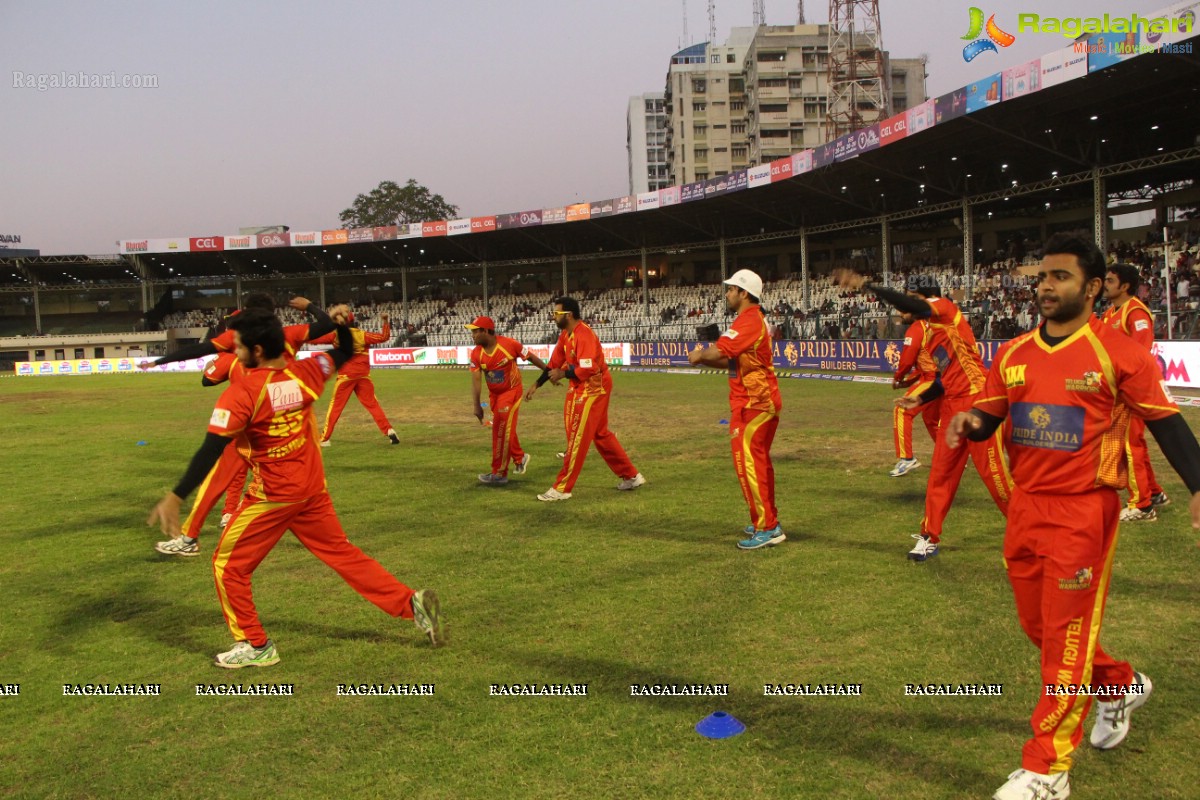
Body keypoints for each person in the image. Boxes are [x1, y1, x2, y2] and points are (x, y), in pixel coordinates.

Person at [944, 232, 1200, 800]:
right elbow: (991, 413)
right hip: (1026, 506)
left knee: (1065, 637)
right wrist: (971, 423)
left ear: (1091, 285)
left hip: (1085, 510)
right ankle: (1121, 684)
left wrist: (1199, 486)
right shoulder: (1012, 353)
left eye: (1059, 276)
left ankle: (1048, 768)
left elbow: (1165, 421)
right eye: (1041, 277)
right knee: (1040, 628)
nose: (1045, 286)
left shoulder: (1118, 352)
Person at [147, 310, 442, 667]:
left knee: (228, 565)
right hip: (312, 488)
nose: (233, 351)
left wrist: (176, 495)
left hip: (274, 495)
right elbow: (344, 351)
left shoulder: (242, 394)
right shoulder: (308, 372)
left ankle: (255, 645)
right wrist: (340, 323)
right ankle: (409, 603)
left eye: (238, 346)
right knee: (342, 553)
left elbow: (211, 449)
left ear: (256, 350)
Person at [833, 270, 1011, 561]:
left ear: (925, 298)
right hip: (953, 405)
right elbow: (943, 379)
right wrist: (921, 397)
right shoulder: (930, 334)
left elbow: (917, 307)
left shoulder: (946, 310)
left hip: (978, 401)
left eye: (910, 301)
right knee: (940, 475)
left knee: (996, 478)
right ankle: (929, 536)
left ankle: (1031, 533)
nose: (903, 309)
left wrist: (867, 286)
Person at [153, 296, 345, 557]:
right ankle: (237, 515)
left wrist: (160, 361)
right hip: (287, 409)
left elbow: (202, 352)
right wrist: (310, 307)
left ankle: (197, 534)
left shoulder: (239, 338)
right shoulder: (290, 334)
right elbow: (326, 326)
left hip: (249, 415)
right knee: (285, 476)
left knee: (220, 479)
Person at [688, 270, 784, 549]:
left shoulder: (749, 320)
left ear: (744, 293)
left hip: (755, 403)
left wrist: (700, 354)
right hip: (755, 401)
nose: (727, 293)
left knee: (750, 465)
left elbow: (720, 352)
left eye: (731, 289)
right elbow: (733, 363)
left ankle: (767, 527)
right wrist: (705, 359)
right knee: (758, 465)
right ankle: (766, 520)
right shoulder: (751, 321)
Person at [523, 296, 643, 501]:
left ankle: (562, 488)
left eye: (556, 313)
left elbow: (589, 368)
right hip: (581, 386)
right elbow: (554, 364)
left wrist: (563, 374)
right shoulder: (565, 335)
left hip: (594, 387)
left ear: (568, 315)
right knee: (600, 434)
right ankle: (631, 476)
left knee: (579, 435)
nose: (553, 317)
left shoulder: (584, 335)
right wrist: (537, 384)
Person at [1101, 263, 1169, 521]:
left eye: (1109, 280)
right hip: (1121, 390)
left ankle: (1141, 506)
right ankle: (1153, 493)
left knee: (1129, 445)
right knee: (1135, 443)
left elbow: (1140, 353)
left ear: (1124, 286)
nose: (1105, 284)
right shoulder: (1109, 315)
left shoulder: (1136, 313)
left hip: (1133, 389)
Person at [465, 315, 551, 485]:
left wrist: (549, 374)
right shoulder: (476, 354)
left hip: (511, 392)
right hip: (494, 396)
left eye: (475, 332)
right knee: (504, 427)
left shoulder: (509, 345)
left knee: (500, 429)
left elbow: (532, 357)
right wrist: (477, 406)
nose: (472, 335)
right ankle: (520, 457)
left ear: (486, 331)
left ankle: (499, 473)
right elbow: (476, 381)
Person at [307, 309, 400, 447]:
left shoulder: (336, 336)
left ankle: (325, 438)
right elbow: (384, 337)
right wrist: (385, 321)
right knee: (373, 405)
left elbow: (314, 340)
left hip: (346, 376)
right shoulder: (363, 335)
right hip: (363, 375)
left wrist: (306, 332)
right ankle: (389, 430)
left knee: (336, 407)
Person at [889, 310, 942, 478]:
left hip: (931, 379)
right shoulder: (932, 327)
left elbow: (907, 359)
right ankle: (951, 457)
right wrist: (908, 382)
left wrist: (898, 377)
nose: (900, 312)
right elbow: (924, 363)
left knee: (902, 410)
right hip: (942, 380)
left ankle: (907, 458)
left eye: (903, 309)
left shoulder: (915, 329)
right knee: (932, 420)